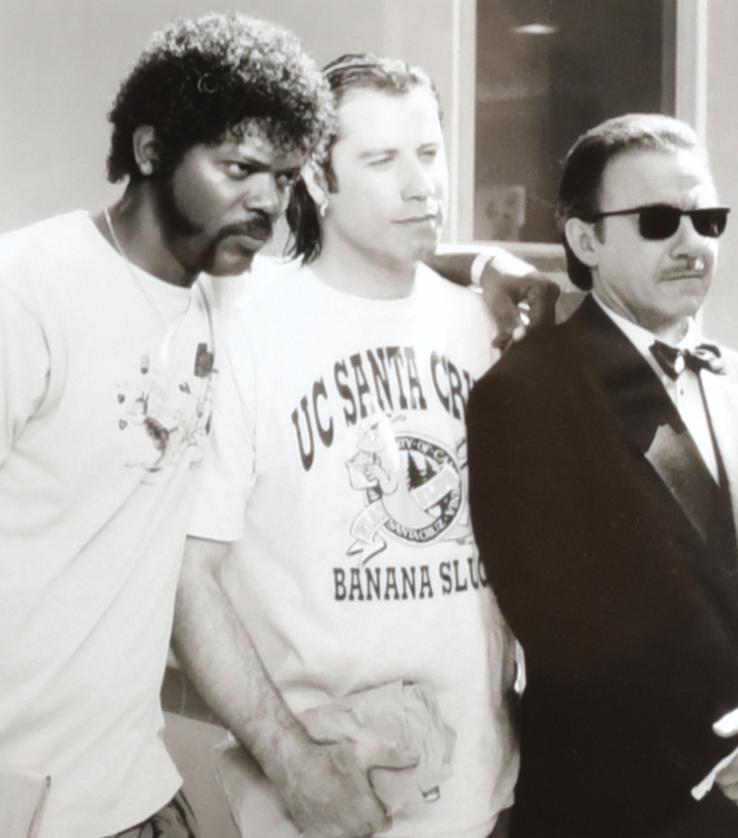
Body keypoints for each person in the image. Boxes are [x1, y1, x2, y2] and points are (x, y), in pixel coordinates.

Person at [0, 13, 334, 838]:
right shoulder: (27, 290)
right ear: (151, 151)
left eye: (284, 177)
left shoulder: (226, 293)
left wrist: (491, 265)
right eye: (239, 168)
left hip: (139, 791)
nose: (267, 203)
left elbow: (358, 277)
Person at [173, 54, 519, 838]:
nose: (421, 186)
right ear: (317, 179)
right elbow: (189, 579)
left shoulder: (486, 326)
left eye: (429, 153)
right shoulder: (243, 321)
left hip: (480, 792)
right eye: (382, 160)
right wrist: (293, 765)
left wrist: (490, 263)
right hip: (318, 799)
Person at [466, 113, 738, 838]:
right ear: (586, 241)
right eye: (659, 221)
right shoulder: (525, 394)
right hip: (619, 813)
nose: (691, 242)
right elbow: (565, 628)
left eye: (707, 219)